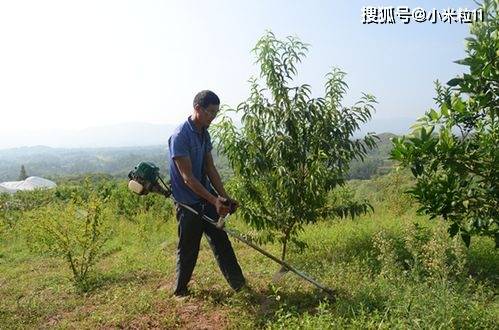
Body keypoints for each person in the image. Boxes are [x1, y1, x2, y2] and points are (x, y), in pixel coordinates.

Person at [168, 90, 246, 297]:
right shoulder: (180, 136)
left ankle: (240, 287)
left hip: (207, 199)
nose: (214, 116)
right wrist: (213, 199)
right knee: (188, 249)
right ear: (197, 109)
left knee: (222, 242)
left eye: (216, 112)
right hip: (188, 203)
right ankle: (180, 291)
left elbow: (210, 168)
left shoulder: (204, 132)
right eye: (211, 112)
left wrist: (224, 197)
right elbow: (187, 178)